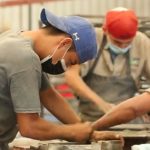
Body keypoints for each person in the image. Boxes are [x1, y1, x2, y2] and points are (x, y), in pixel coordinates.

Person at [0, 8, 99, 149]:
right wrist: (73, 132)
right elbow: (30, 127)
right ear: (64, 44)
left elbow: (49, 96)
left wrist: (87, 130)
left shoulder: (16, 41)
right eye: (71, 62)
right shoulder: (24, 57)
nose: (65, 68)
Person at [65, 7, 150, 122]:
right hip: (92, 118)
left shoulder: (142, 42)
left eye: (128, 42)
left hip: (130, 120)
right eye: (117, 42)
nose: (123, 46)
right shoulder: (90, 39)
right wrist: (103, 105)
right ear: (105, 30)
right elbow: (72, 76)